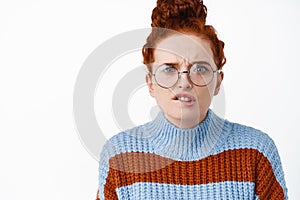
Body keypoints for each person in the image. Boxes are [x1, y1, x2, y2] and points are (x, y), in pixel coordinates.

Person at [96, 0, 288, 199]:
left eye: (200, 69)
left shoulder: (256, 153)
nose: (184, 82)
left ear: (218, 82)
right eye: (169, 69)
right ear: (151, 83)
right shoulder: (118, 155)